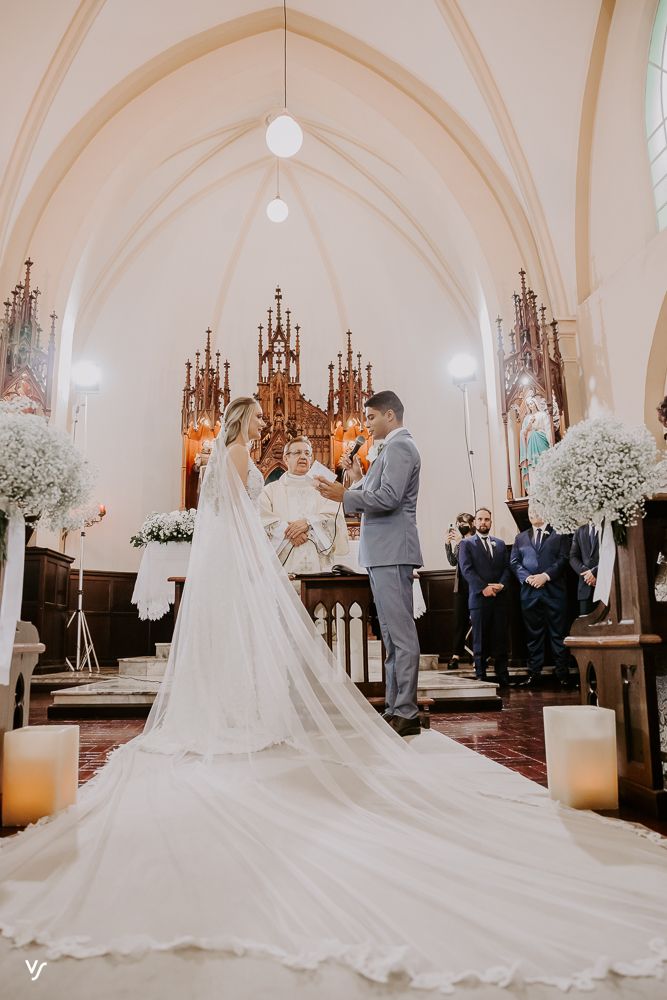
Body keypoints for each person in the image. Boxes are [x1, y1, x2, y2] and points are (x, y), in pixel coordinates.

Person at [1, 396, 667, 994]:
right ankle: (300, 711)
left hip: (289, 552)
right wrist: (291, 524)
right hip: (253, 556)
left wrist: (323, 510)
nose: (274, 435)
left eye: (287, 436)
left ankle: (301, 710)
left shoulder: (287, 460)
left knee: (304, 639)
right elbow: (247, 514)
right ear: (246, 425)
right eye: (264, 425)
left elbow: (329, 509)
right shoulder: (245, 463)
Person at [315, 390, 423, 737]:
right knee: (390, 634)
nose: (367, 425)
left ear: (390, 415)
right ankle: (395, 708)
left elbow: (390, 498)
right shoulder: (387, 450)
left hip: (393, 550)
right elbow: (378, 491)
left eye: (371, 417)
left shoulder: (400, 447)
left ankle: (407, 711)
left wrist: (345, 495)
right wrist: (357, 475)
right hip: (383, 551)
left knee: (400, 634)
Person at [259, 436, 349, 573]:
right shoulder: (270, 490)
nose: (303, 457)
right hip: (281, 564)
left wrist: (309, 524)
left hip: (315, 558)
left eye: (307, 453)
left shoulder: (325, 488)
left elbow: (335, 518)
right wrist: (290, 532)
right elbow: (261, 519)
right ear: (286, 458)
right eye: (297, 453)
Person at [509, 507, 574, 689]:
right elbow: (514, 562)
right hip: (530, 593)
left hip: (554, 591)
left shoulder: (559, 533)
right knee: (533, 635)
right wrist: (528, 578)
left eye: (536, 509)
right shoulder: (520, 538)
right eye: (530, 510)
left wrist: (545, 576)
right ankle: (534, 674)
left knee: (558, 634)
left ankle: (562, 674)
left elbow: (563, 558)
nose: (532, 513)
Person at [458, 507, 511, 688]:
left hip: (499, 598)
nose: (483, 522)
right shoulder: (466, 544)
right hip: (479, 598)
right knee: (479, 639)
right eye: (480, 519)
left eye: (486, 519)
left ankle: (503, 675)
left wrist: (501, 585)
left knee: (501, 638)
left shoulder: (500, 544)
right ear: (474, 522)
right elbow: (466, 570)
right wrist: (483, 588)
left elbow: (506, 568)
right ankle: (480, 675)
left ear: (491, 522)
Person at [444, 512, 475, 669]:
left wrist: (459, 543)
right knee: (459, 621)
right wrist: (447, 544)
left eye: (463, 523)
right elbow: (453, 561)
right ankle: (456, 654)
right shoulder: (459, 542)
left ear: (471, 524)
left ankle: (478, 654)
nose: (461, 526)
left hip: (474, 585)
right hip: (461, 585)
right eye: (458, 524)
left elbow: (468, 558)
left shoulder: (475, 540)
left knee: (476, 621)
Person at [519, 394, 551, 493]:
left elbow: (548, 430)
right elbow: (523, 433)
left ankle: (547, 487)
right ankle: (534, 490)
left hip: (542, 441)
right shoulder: (526, 419)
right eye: (528, 404)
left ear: (535, 403)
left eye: (531, 403)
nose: (530, 406)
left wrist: (551, 443)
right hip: (531, 443)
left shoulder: (543, 415)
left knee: (544, 462)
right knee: (533, 466)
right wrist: (529, 424)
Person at [569, 522, 600, 615]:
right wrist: (587, 574)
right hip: (585, 587)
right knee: (585, 622)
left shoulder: (607, 527)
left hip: (606, 584)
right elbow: (573, 557)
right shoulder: (580, 530)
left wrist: (595, 572)